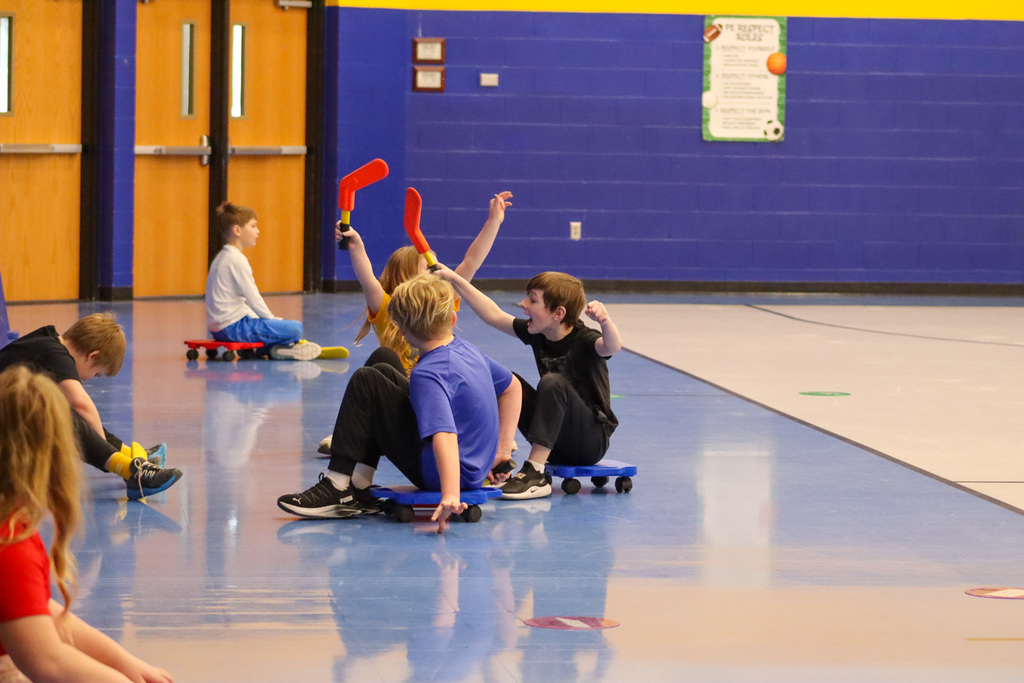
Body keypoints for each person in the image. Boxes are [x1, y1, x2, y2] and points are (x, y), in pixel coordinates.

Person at [278, 274, 521, 533]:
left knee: (367, 380)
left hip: (444, 474)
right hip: (472, 466)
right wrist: (502, 450)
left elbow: (445, 434)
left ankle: (337, 485)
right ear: (452, 319)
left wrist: (450, 494)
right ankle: (359, 484)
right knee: (384, 359)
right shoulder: (468, 350)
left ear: (403, 331)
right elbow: (512, 387)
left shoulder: (429, 372)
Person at [0, 366, 174, 683]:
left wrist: (127, 664)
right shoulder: (10, 544)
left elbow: (38, 609)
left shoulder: (12, 524)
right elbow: (48, 661)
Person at [316, 190, 513, 454]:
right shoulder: (387, 308)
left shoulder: (442, 301)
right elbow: (367, 279)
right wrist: (356, 246)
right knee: (381, 360)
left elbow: (470, 262)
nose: (436, 270)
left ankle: (484, 433)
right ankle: (353, 432)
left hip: (439, 394)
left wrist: (494, 222)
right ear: (405, 275)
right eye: (427, 266)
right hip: (406, 398)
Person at [436, 267, 622, 500]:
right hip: (556, 443)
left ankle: (536, 473)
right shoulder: (539, 332)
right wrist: (454, 279)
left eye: (533, 300)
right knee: (505, 382)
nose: (523, 304)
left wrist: (604, 320)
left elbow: (612, 346)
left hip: (590, 441)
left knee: (552, 383)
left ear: (558, 313)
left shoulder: (584, 339)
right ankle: (497, 458)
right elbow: (493, 315)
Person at [0, 313, 183, 501]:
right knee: (60, 415)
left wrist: (105, 446)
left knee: (62, 410)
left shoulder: (48, 341)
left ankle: (130, 456)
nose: (89, 379)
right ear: (91, 356)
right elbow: (81, 404)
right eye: (96, 373)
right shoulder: (55, 354)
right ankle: (129, 470)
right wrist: (104, 451)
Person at [205, 201, 322, 360]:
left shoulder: (222, 257)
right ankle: (282, 347)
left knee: (274, 326)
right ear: (237, 230)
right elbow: (253, 297)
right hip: (234, 328)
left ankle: (274, 350)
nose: (257, 231)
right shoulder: (236, 260)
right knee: (295, 329)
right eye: (253, 226)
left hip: (220, 328)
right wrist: (271, 319)